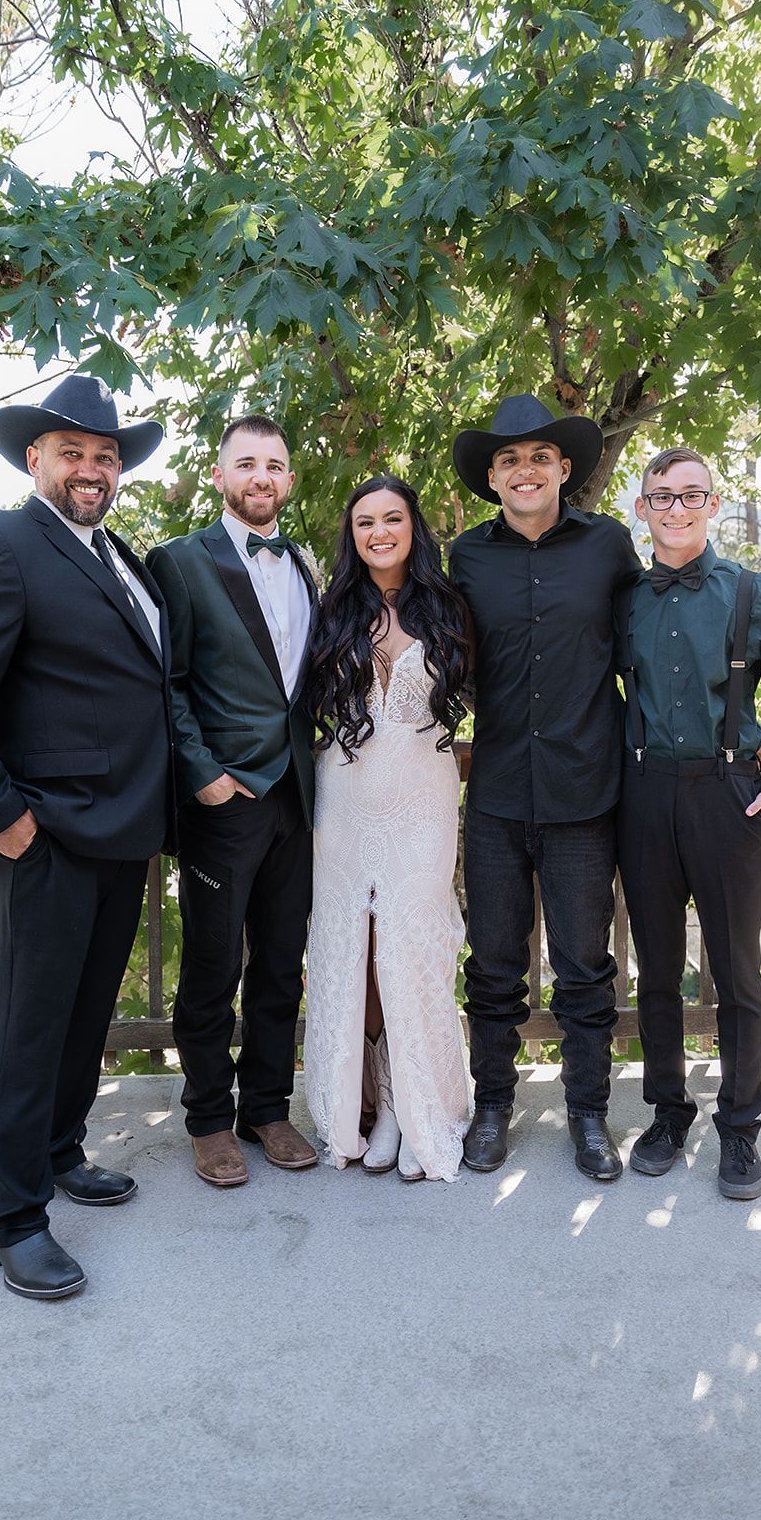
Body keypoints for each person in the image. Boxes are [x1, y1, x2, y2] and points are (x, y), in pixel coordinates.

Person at [0, 373, 172, 1300]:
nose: (92, 469)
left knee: (83, 1018)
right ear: (36, 460)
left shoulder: (118, 556)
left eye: (105, 456)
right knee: (26, 1032)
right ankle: (10, 1221)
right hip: (48, 833)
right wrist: (2, 819)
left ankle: (61, 1150)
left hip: (122, 831)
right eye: (73, 453)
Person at [617, 447, 761, 1199]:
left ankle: (739, 1130)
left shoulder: (751, 594)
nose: (674, 508)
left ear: (711, 505)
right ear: (640, 510)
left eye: (689, 495)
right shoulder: (627, 598)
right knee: (658, 970)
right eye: (660, 497)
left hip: (728, 797)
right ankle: (668, 1114)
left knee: (734, 973)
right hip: (642, 796)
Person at [448, 394, 641, 1180]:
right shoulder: (466, 557)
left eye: (537, 457)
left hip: (583, 796)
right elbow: (440, 663)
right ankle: (491, 1105)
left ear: (563, 469)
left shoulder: (609, 548)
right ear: (491, 479)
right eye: (507, 460)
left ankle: (588, 1116)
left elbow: (642, 648)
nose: (523, 470)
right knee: (492, 965)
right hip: (494, 795)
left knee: (583, 967)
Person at [146, 415, 319, 1188]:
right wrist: (201, 770)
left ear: (287, 480)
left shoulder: (308, 565)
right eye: (244, 463)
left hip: (299, 798)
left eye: (274, 465)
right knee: (213, 966)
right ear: (220, 476)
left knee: (282, 965)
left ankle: (267, 1108)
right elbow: (167, 682)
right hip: (223, 797)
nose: (260, 476)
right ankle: (210, 1119)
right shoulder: (179, 563)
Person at [304, 476, 473, 1182]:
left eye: (392, 518)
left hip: (423, 801)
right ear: (352, 533)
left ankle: (414, 1107)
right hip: (344, 798)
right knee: (354, 950)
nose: (379, 532)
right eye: (365, 521)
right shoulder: (332, 608)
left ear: (412, 527)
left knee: (414, 946)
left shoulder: (448, 607)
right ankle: (364, 1108)